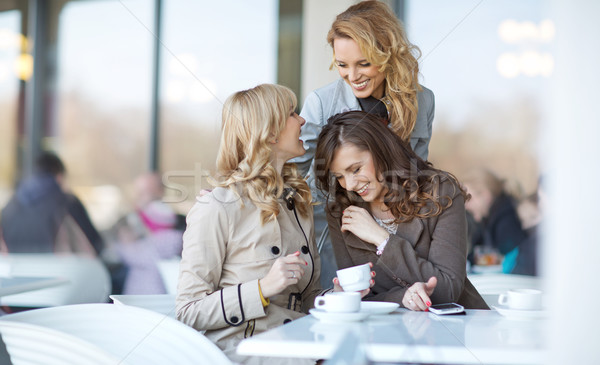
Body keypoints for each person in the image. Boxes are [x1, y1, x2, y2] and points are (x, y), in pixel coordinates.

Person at [176, 84, 361, 365]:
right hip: (243, 352)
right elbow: (188, 310)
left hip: (300, 345)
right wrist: (261, 288)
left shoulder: (297, 202)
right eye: (292, 113)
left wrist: (335, 295)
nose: (302, 120)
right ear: (270, 132)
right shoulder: (216, 206)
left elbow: (304, 298)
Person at [292, 0, 435, 287]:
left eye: (364, 63)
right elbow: (290, 175)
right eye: (342, 65)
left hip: (397, 236)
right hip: (335, 237)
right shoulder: (320, 104)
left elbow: (419, 177)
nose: (352, 76)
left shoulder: (423, 100)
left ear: (388, 54)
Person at [314, 111, 488, 311]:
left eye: (356, 169)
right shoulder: (342, 211)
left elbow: (448, 290)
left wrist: (382, 239)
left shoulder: (440, 192)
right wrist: (401, 298)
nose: (350, 185)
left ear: (381, 151)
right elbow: (358, 297)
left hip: (454, 330)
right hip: (381, 335)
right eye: (339, 176)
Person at [0, 152, 103, 255]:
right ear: (59, 176)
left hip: (16, 270)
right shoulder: (68, 203)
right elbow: (96, 243)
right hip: (58, 270)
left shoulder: (10, 206)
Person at [462, 169, 527, 273]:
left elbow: (509, 259)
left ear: (485, 195)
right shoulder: (490, 220)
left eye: (470, 199)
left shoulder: (507, 220)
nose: (465, 206)